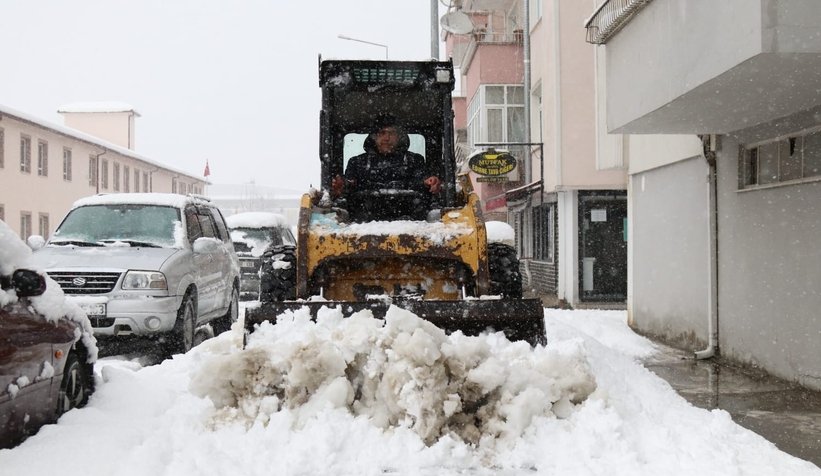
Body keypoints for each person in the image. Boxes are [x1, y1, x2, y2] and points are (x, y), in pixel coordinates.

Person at [331, 114, 441, 199]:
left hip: (412, 219)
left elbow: (422, 180)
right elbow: (350, 184)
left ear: (399, 137)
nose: (386, 138)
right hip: (362, 221)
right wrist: (342, 185)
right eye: (382, 133)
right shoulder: (357, 162)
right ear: (374, 137)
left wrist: (429, 182)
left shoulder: (415, 160)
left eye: (392, 133)